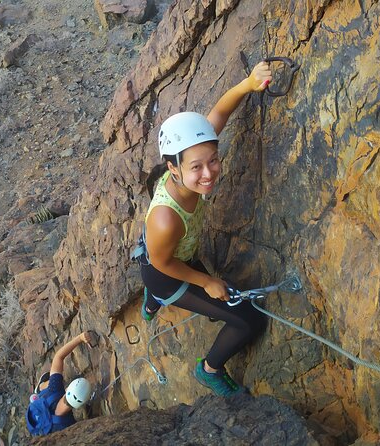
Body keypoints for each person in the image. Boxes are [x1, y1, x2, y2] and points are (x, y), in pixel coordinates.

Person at [136, 62, 272, 397]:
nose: (209, 173)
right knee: (248, 320)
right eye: (196, 167)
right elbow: (162, 263)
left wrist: (248, 83)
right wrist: (207, 282)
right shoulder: (166, 219)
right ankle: (209, 369)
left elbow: (218, 115)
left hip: (175, 252)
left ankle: (152, 303)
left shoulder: (187, 157)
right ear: (173, 167)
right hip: (165, 272)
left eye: (213, 159)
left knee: (200, 280)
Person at [25, 330, 98, 436]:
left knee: (52, 382)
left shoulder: (54, 390)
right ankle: (41, 388)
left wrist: (80, 338)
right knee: (51, 382)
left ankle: (41, 387)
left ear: (67, 389)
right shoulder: (64, 426)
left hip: (42, 416)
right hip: (44, 423)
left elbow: (58, 357)